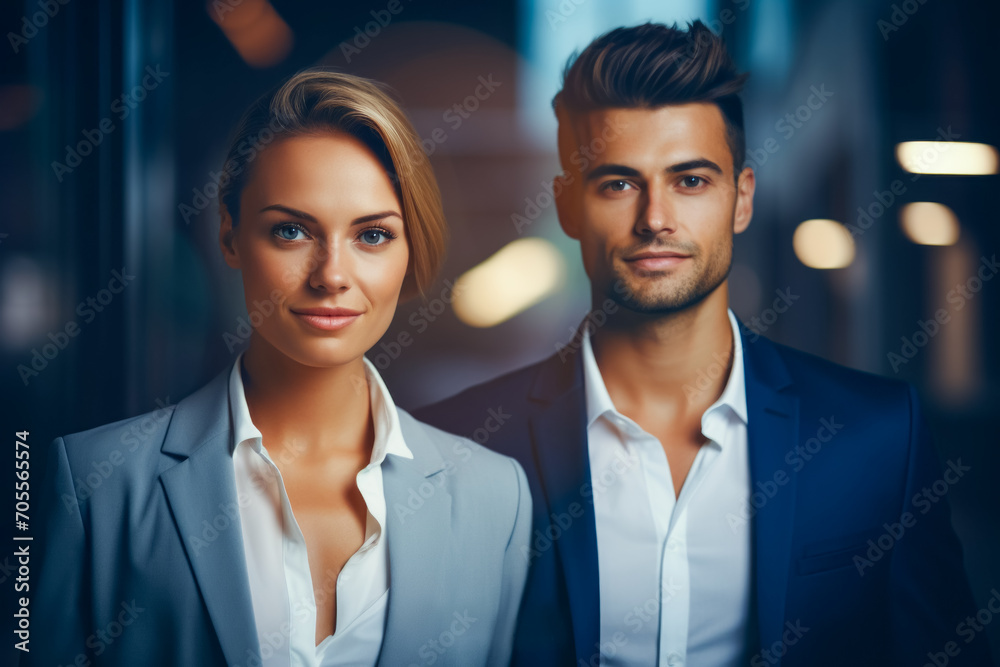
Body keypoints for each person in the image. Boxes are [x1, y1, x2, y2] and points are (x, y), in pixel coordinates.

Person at [415, 22, 992, 667]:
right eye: (618, 183)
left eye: (690, 181)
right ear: (569, 205)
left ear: (741, 199)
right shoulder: (457, 449)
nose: (655, 218)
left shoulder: (878, 436)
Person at [27, 69, 531, 667]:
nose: (332, 275)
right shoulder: (94, 484)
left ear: (409, 251)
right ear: (230, 236)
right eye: (290, 231)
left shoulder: (497, 497)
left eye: (372, 235)